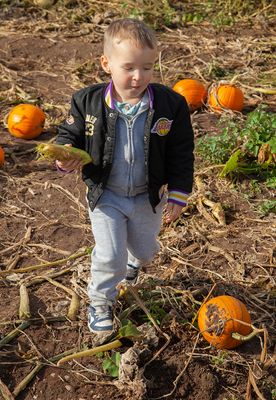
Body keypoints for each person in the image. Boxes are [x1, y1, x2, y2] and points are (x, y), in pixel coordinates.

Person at [55, 18, 194, 334]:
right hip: (107, 195)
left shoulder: (170, 105)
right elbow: (69, 135)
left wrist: (179, 192)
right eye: (129, 67)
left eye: (147, 68)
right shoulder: (87, 102)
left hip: (149, 196)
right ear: (106, 63)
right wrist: (65, 155)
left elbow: (181, 151)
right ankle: (100, 302)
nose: (138, 76)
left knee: (145, 253)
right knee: (110, 256)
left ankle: (131, 261)